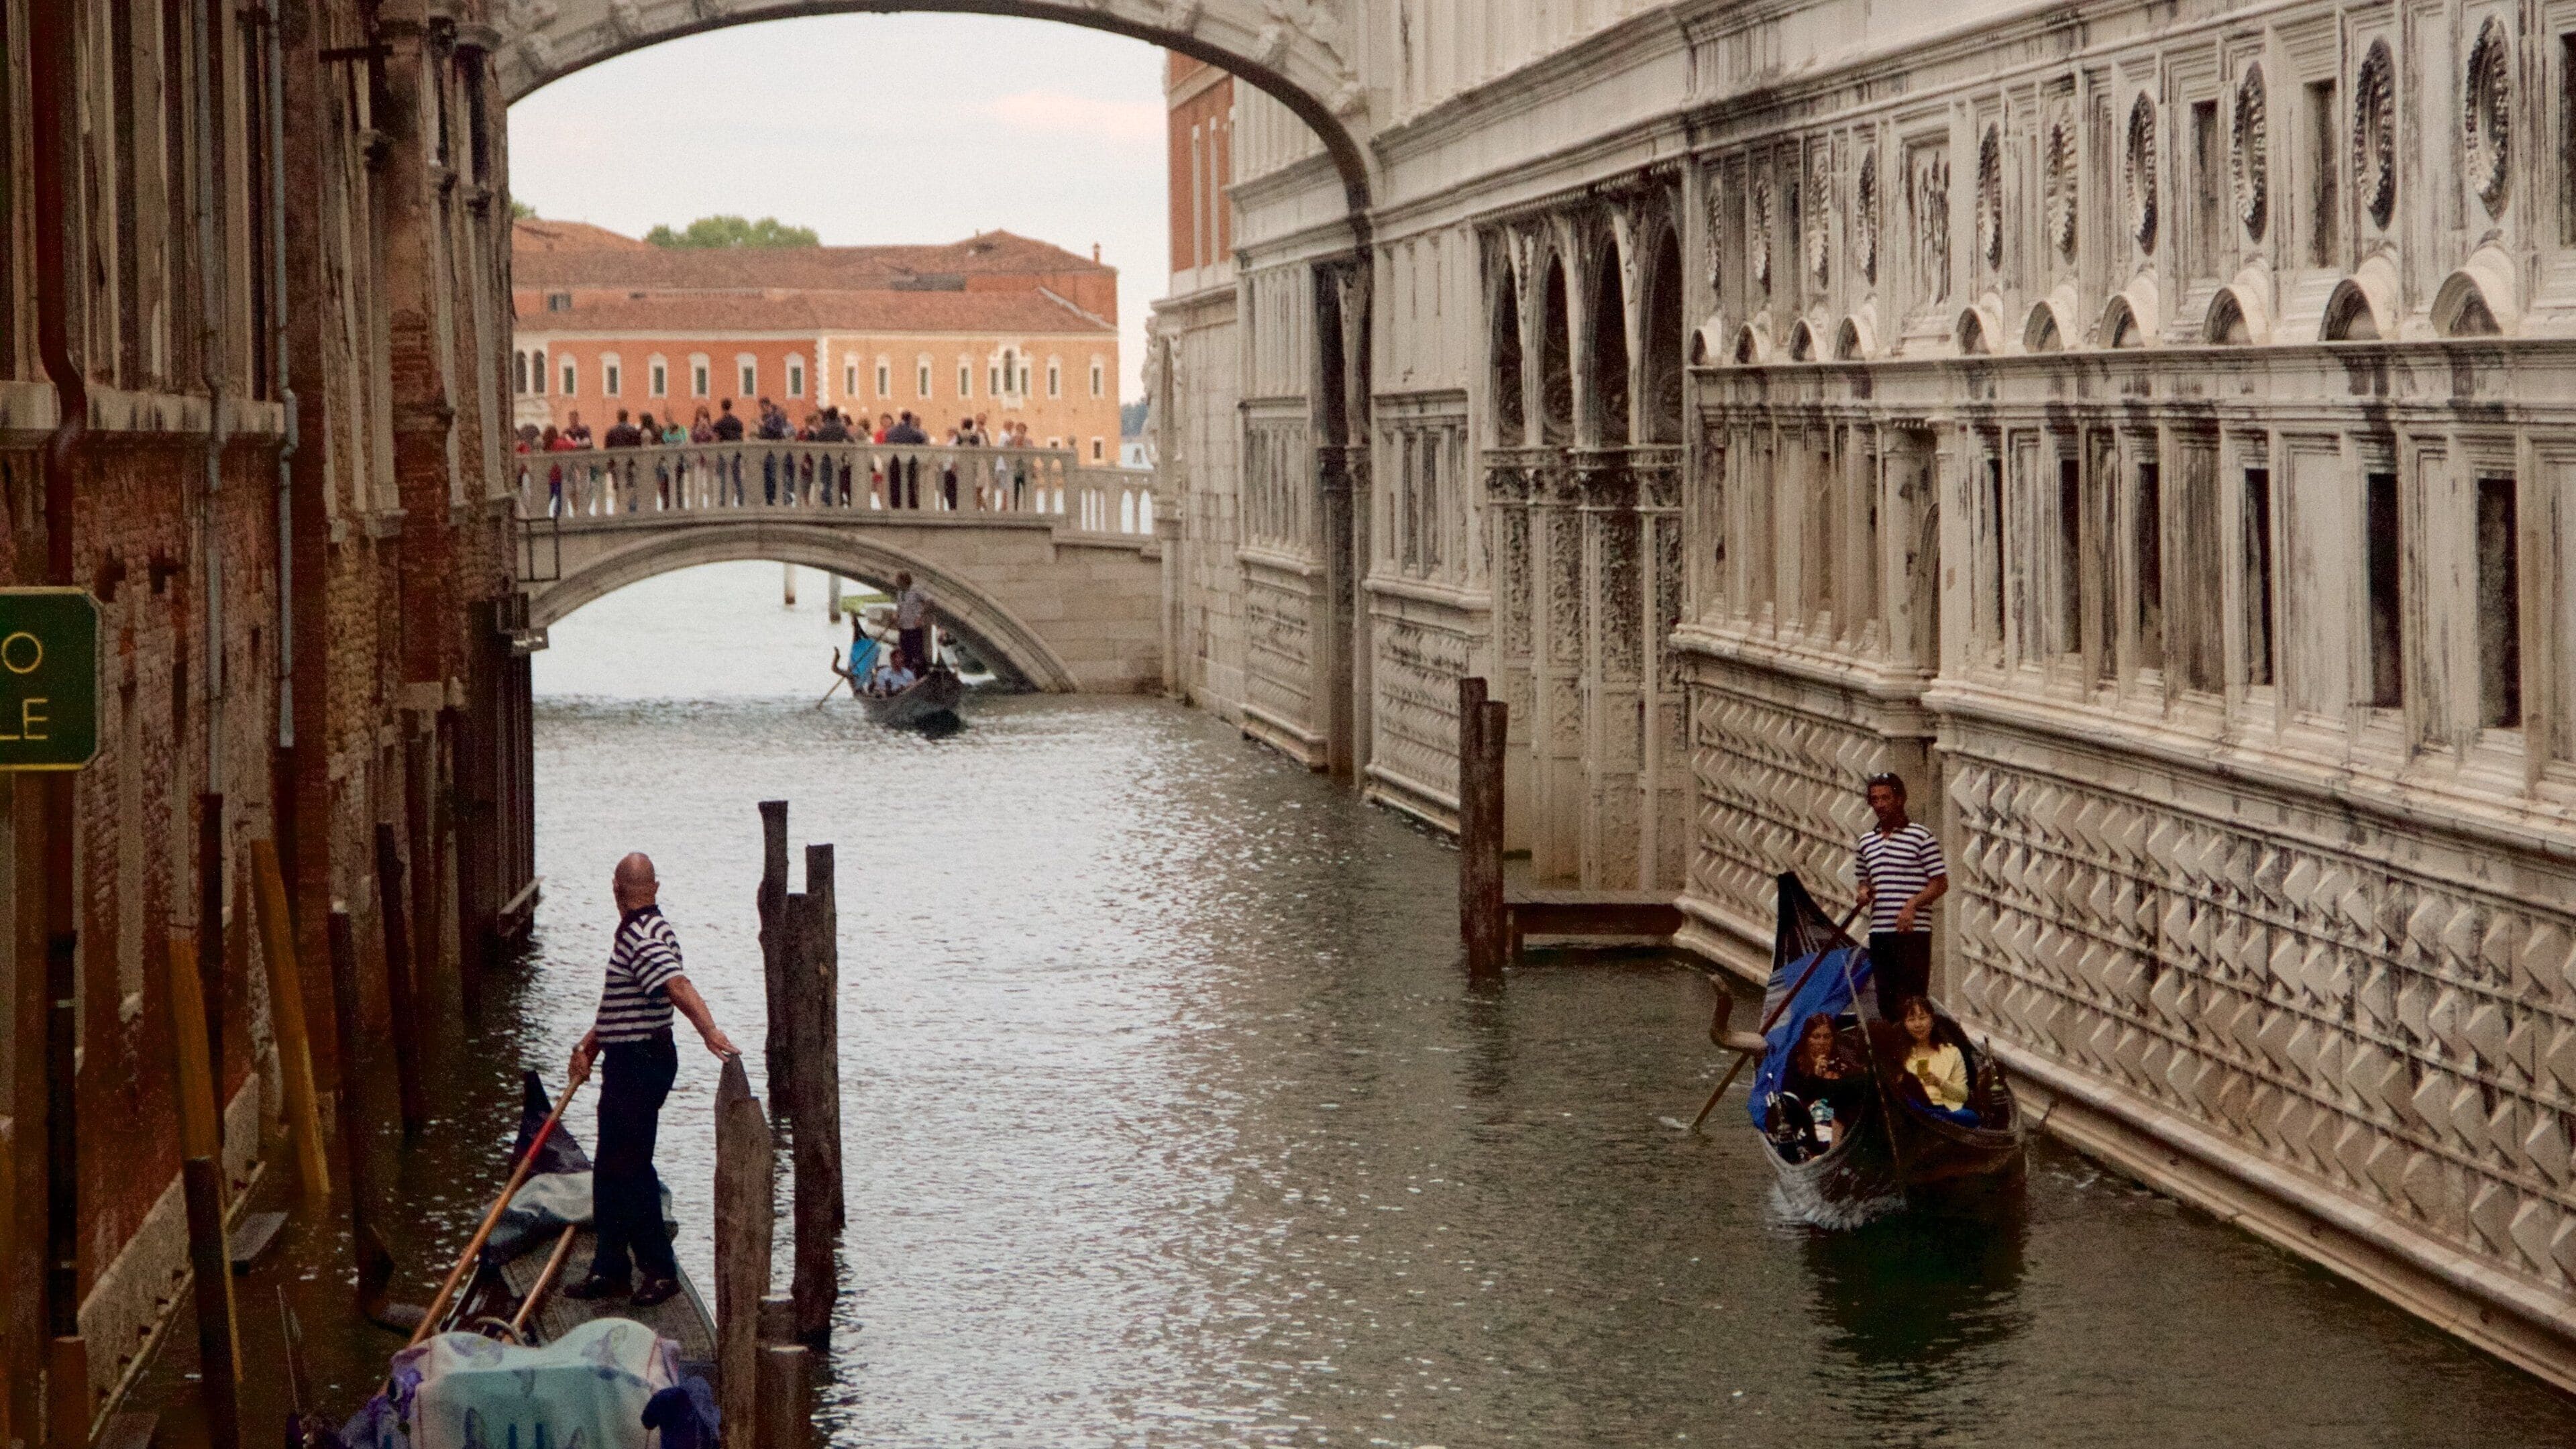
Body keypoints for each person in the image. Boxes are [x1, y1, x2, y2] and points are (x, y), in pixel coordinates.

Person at [564, 853, 738, 1306]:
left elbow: (677, 986)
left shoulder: (641, 937)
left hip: (639, 1062)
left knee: (630, 1168)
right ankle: (610, 1267)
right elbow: (624, 1007)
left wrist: (709, 1030)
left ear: (615, 891)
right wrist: (589, 1048)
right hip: (631, 1057)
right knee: (612, 1167)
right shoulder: (652, 929)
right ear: (654, 888)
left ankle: (658, 1270)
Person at [1854, 771, 1945, 1019]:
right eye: (1875, 799)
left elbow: (1939, 884)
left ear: (1900, 799)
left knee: (1913, 1001)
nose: (1881, 805)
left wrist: (1912, 905)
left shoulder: (1921, 837)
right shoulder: (1866, 842)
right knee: (1886, 1001)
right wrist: (1863, 893)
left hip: (1913, 934)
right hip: (1880, 932)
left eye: (1886, 798)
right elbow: (1864, 880)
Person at [1771, 1013, 1870, 1162]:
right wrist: (1816, 1078)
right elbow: (1794, 1101)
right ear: (1807, 1039)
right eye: (1816, 1037)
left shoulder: (1843, 1065)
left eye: (1827, 1037)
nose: (1822, 1042)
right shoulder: (1795, 1067)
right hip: (1806, 1127)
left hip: (1838, 1128)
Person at [1896, 996, 1977, 1126]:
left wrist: (1939, 1082)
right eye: (1911, 1020)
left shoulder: (1952, 1053)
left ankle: (1933, 1116)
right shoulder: (1900, 1056)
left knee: (1969, 1117)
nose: (1917, 1025)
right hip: (1912, 1112)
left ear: (1932, 1019)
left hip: (1948, 1112)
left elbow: (1963, 1096)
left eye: (1922, 1018)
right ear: (1905, 1024)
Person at [893, 570, 934, 674]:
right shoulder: (900, 592)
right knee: (904, 653)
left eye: (898, 580)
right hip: (903, 627)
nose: (896, 582)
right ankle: (907, 674)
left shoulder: (916, 589)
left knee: (917, 653)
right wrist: (896, 615)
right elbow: (899, 608)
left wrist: (920, 617)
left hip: (915, 627)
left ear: (904, 580)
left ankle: (921, 673)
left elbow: (930, 600)